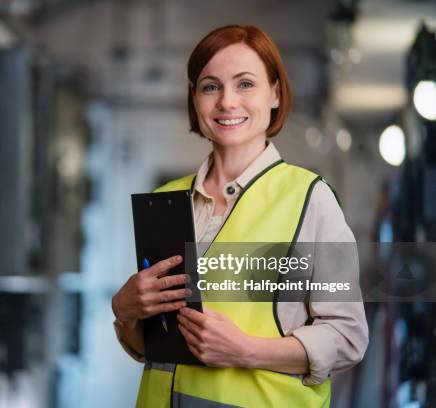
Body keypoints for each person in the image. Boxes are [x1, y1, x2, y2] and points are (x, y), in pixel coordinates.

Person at [111, 24, 369, 407]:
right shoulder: (164, 200)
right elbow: (154, 349)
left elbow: (348, 338)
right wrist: (125, 313)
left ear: (276, 93)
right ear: (194, 98)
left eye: (245, 84)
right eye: (210, 86)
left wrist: (246, 350)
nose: (227, 102)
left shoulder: (310, 200)